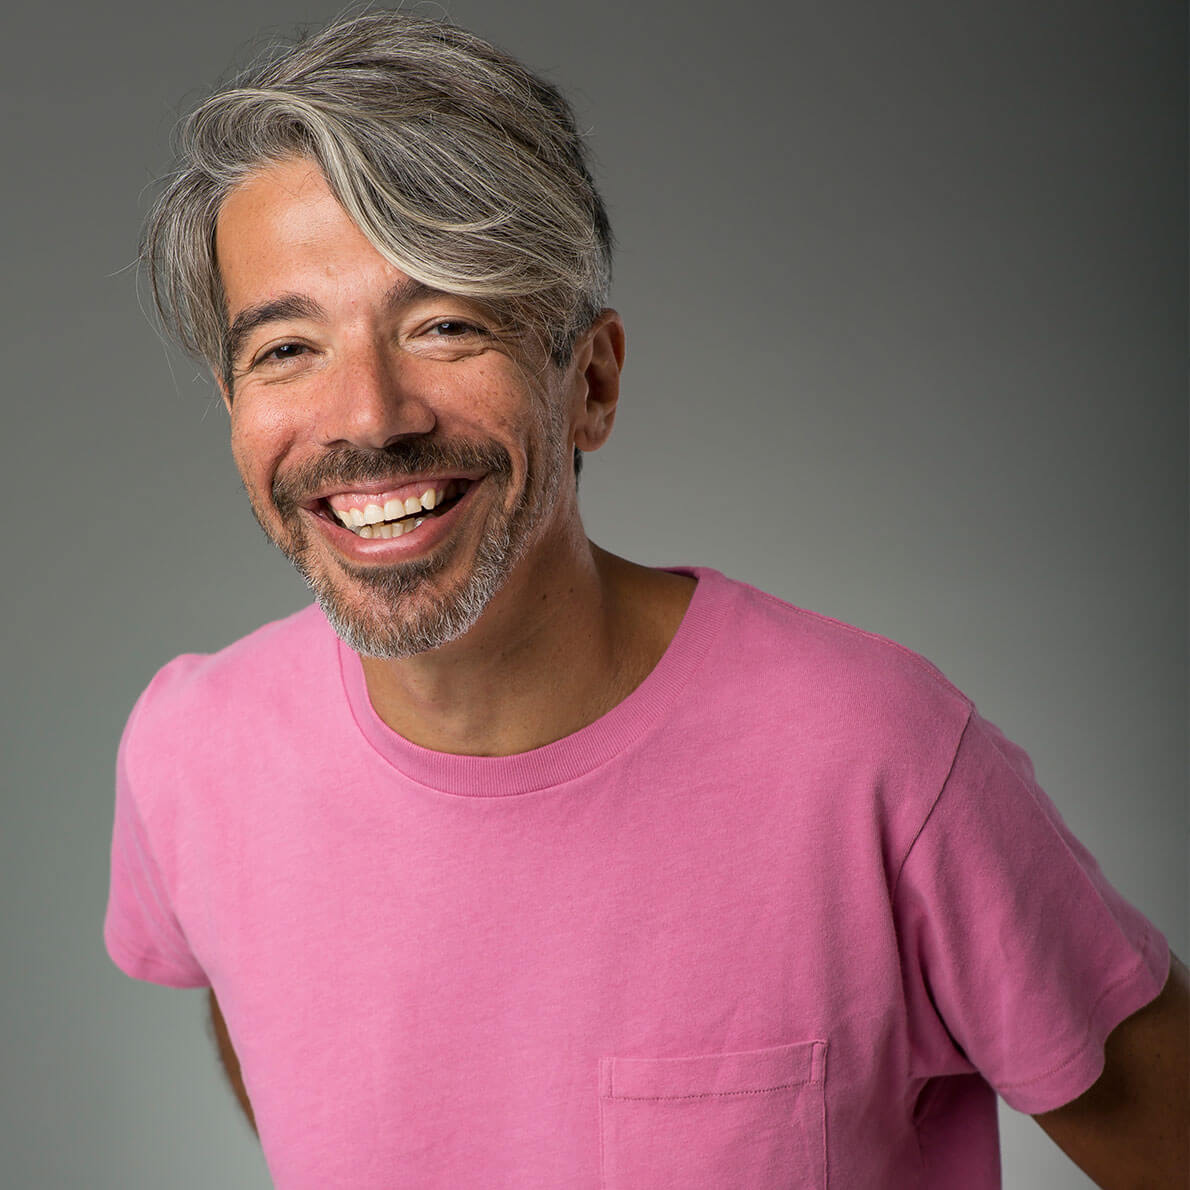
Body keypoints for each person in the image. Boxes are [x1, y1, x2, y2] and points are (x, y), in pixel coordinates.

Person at [103, 10, 1187, 1188]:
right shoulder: (188, 754)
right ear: (233, 407)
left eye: (446, 323)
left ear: (592, 382)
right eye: (285, 349)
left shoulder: (880, 762)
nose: (368, 415)